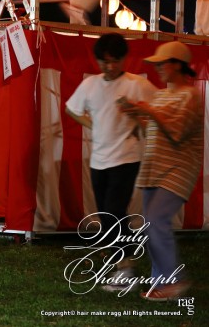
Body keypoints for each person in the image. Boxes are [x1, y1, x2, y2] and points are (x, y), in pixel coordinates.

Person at [65, 33, 157, 291]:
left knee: (114, 211)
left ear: (124, 59)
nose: (110, 66)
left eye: (115, 61)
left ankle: (125, 269)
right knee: (108, 215)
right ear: (97, 61)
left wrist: (138, 116)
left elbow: (159, 110)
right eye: (105, 61)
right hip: (99, 160)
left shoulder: (137, 84)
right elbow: (71, 109)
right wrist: (92, 125)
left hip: (127, 157)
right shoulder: (90, 85)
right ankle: (124, 264)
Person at [121, 41, 203, 301]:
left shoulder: (191, 96)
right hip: (155, 167)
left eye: (161, 63)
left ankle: (172, 281)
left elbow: (177, 133)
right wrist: (137, 115)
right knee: (151, 224)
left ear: (177, 65)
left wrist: (149, 111)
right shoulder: (161, 96)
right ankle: (161, 283)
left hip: (178, 168)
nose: (157, 68)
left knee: (156, 221)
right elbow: (153, 131)